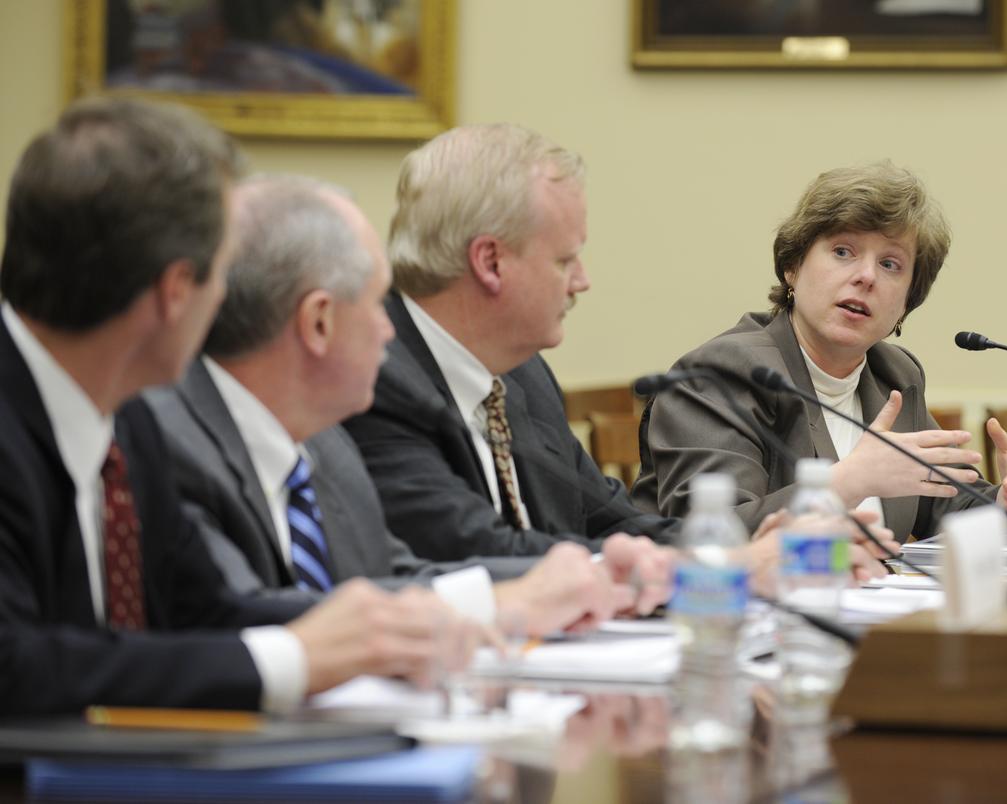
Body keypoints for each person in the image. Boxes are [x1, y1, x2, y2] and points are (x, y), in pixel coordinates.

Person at [0, 97, 479, 715]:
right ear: (176, 292)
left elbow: (202, 608)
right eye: (223, 272)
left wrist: (372, 631)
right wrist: (295, 659)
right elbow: (15, 668)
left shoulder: (128, 420)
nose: (229, 299)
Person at [145, 174, 670, 635]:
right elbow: (244, 618)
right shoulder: (163, 443)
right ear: (318, 323)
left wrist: (586, 579)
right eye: (375, 303)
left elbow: (391, 577)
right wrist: (499, 603)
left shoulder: (327, 447)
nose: (388, 329)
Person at [634, 162, 1007, 543]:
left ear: (906, 304)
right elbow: (709, 537)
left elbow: (943, 498)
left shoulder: (894, 377)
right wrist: (847, 483)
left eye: (890, 264)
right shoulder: (722, 375)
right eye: (843, 251)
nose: (866, 277)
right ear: (793, 267)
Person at [342, 123, 682, 561]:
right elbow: (477, 550)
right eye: (565, 260)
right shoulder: (377, 380)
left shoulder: (523, 372)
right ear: (490, 261)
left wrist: (728, 556)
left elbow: (613, 520)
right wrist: (638, 569)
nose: (582, 281)